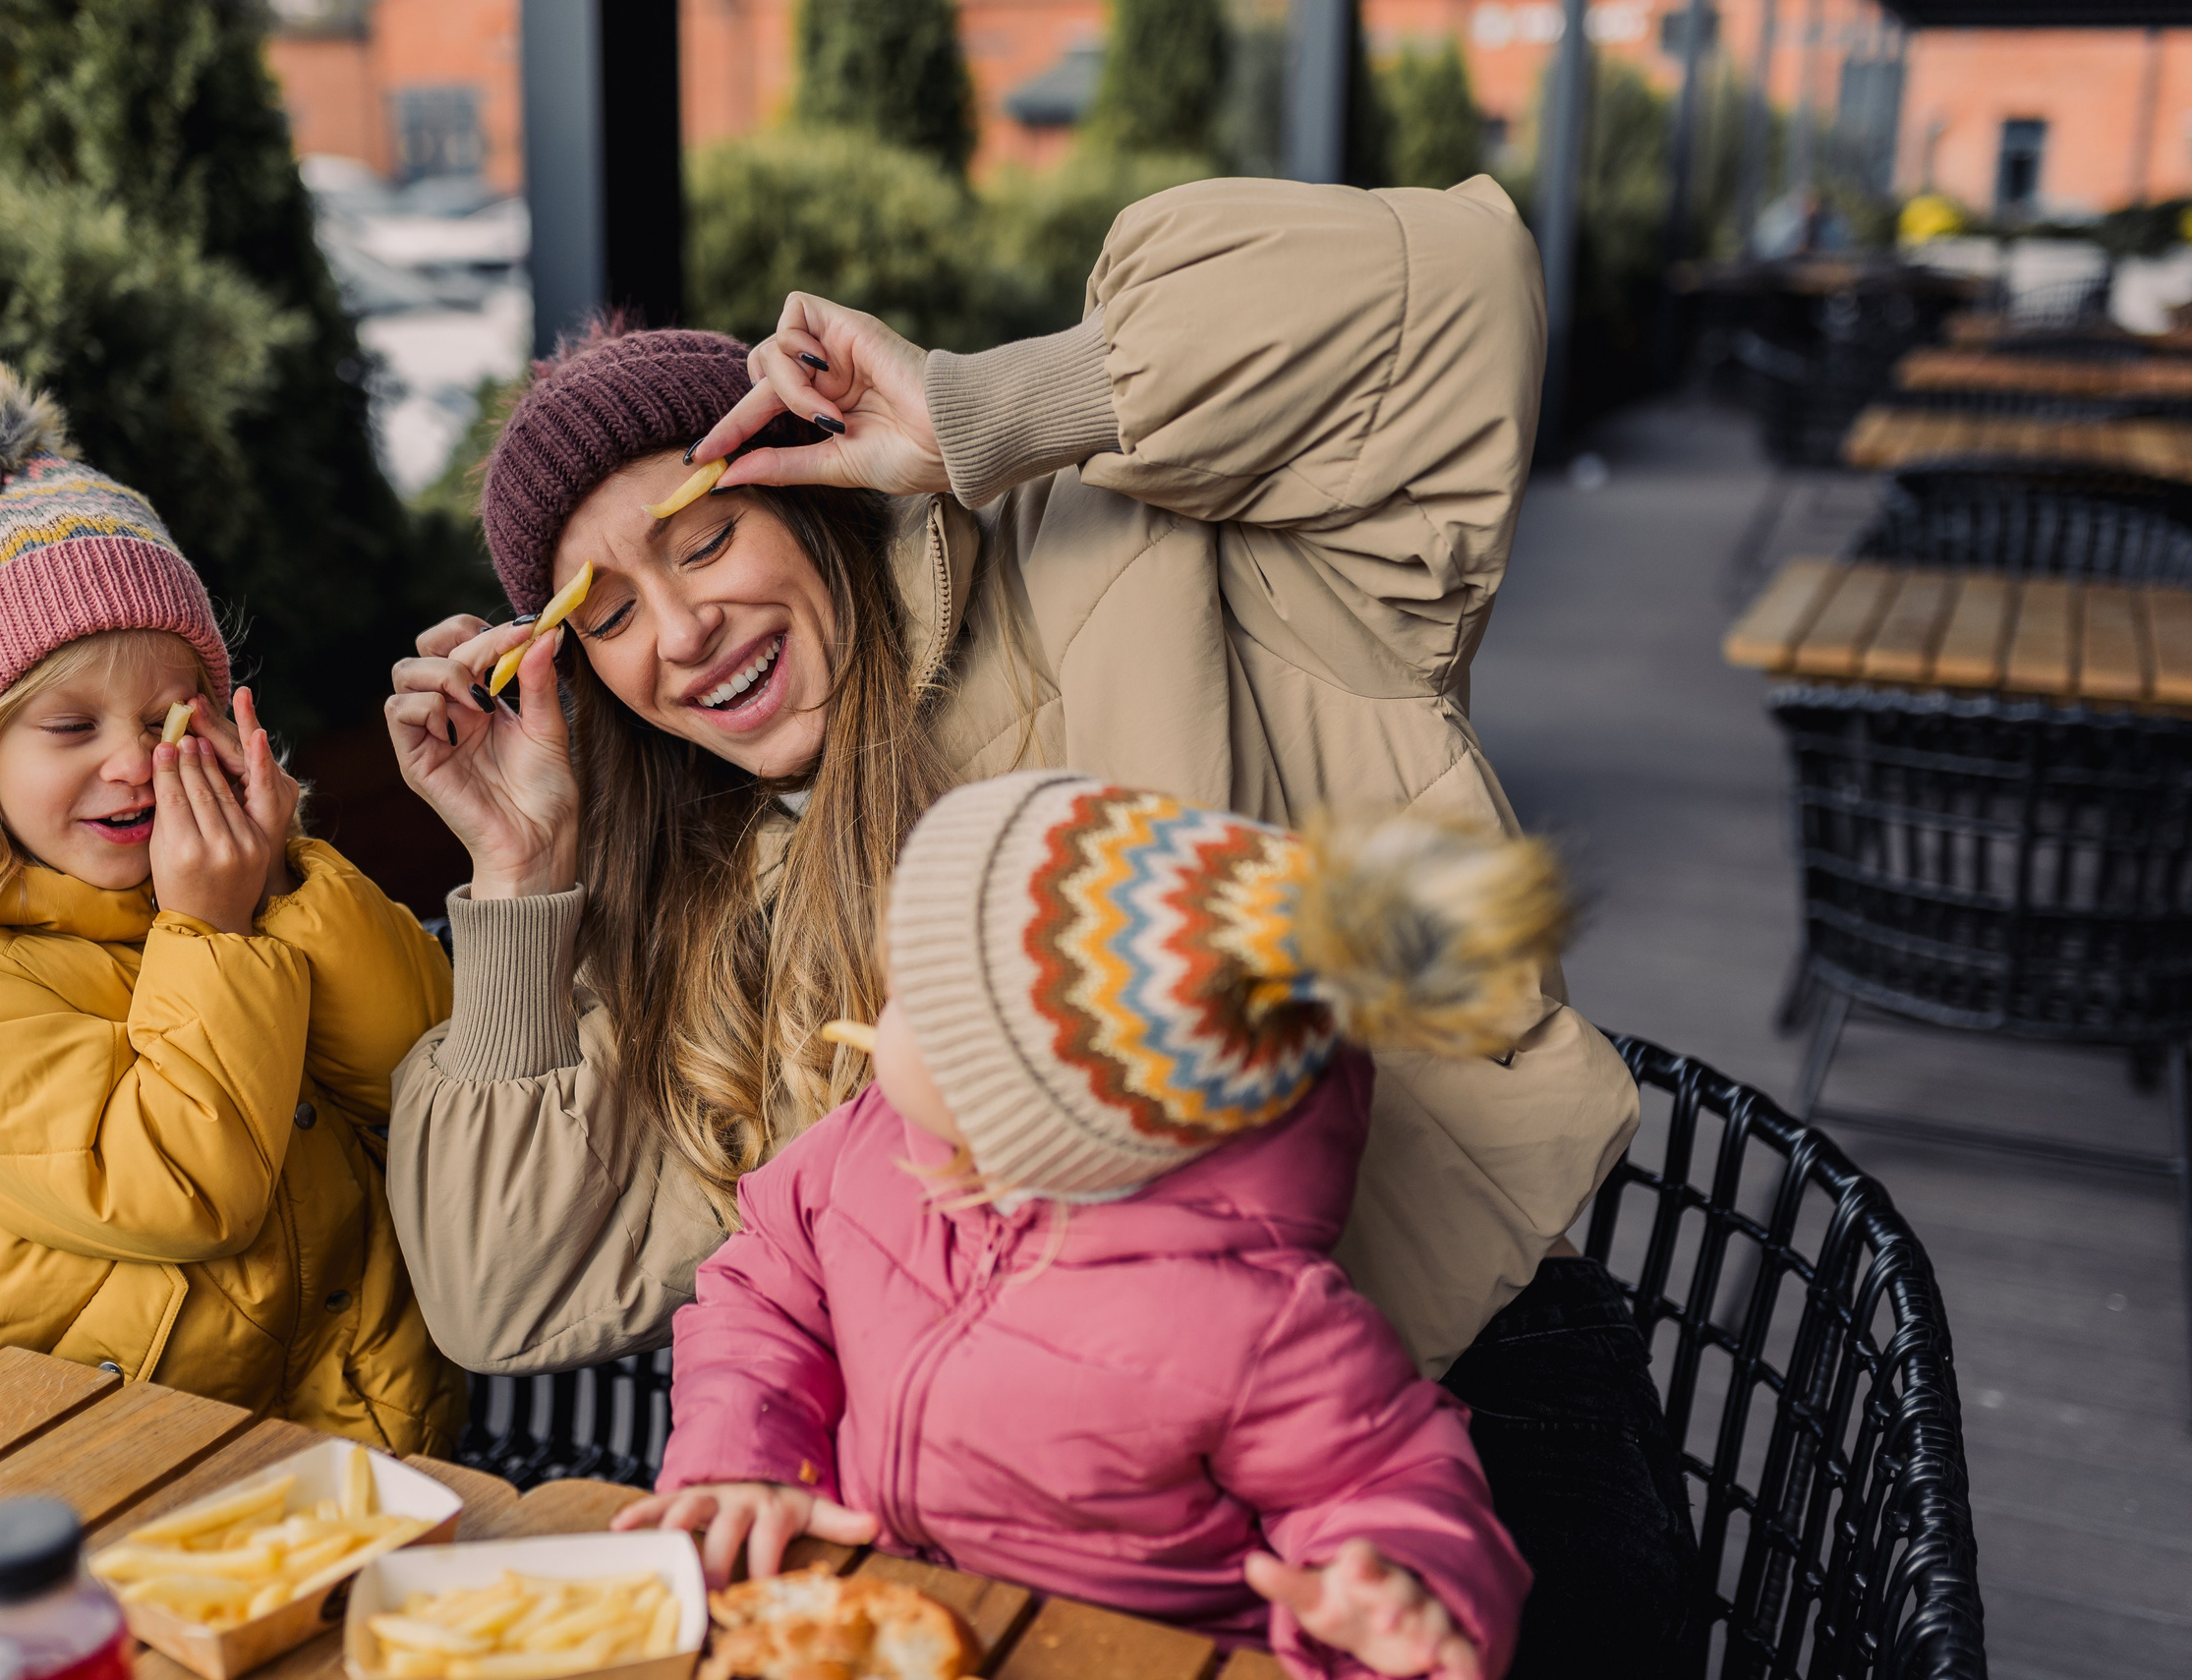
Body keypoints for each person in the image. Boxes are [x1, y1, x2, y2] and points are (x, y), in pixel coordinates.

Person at [386, 178, 1700, 1673]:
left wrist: (978, 410)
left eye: (702, 537)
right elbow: (504, 1293)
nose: (681, 633)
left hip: (1432, 1421)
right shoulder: (709, 908)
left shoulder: (1118, 550)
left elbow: (1451, 290)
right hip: (1053, 1561)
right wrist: (519, 872)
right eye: (604, 612)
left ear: (808, 491)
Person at [617, 771, 1552, 1680]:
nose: (877, 1011)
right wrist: (749, 1455)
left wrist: (1399, 1591)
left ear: (1021, 1108)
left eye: (923, 1009)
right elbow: (765, 1281)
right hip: (883, 1618)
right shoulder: (872, 1143)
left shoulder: (1250, 1318)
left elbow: (1388, 1476)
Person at [0, 363, 462, 1454]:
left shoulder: (223, 874)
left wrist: (284, 875)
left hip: (359, 1438)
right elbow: (184, 1191)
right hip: (107, 1475)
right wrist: (210, 932)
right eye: (69, 727)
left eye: (166, 715)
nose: (132, 763)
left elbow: (425, 1064)